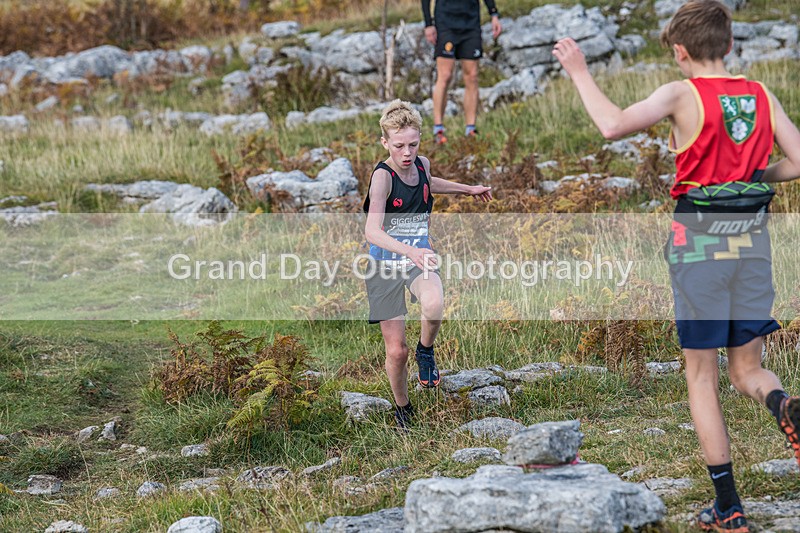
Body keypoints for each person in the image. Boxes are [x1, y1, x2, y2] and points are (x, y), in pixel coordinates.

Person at [553, 1, 800, 531]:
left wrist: (578, 70)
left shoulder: (681, 93)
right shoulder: (760, 94)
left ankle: (729, 508)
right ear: (730, 45)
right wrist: (756, 174)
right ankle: (783, 403)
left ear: (681, 51)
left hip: (699, 246)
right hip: (752, 245)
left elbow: (612, 125)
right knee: (748, 370)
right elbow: (799, 160)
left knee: (702, 376)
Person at [363, 99, 492, 429]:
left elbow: (427, 183)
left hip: (417, 256)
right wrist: (409, 251)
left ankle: (426, 351)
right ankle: (403, 407)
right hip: (385, 265)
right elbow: (372, 231)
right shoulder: (382, 177)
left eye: (413, 144)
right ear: (385, 143)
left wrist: (468, 190)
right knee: (396, 352)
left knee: (434, 304)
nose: (406, 153)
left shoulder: (421, 163)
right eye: (398, 146)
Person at [422, 0, 502, 144]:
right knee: (445, 75)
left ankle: (470, 129)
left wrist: (493, 14)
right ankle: (438, 129)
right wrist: (428, 23)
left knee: (472, 76)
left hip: (470, 24)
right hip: (446, 23)